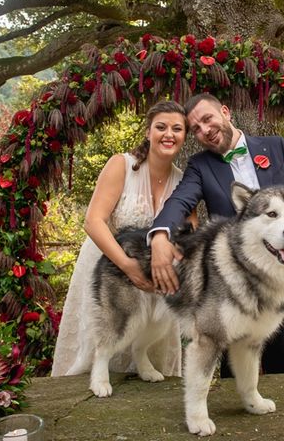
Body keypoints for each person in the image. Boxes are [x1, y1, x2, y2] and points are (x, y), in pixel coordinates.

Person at [149, 93, 284, 377]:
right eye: (196, 129)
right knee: (233, 370)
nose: (205, 130)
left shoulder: (276, 147)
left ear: (225, 112)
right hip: (231, 287)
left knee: (282, 367)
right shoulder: (200, 165)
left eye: (207, 119)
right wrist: (160, 235)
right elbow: (179, 201)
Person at [51, 100, 193, 377]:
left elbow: (189, 234)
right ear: (148, 131)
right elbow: (93, 222)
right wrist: (127, 266)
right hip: (108, 268)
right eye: (161, 127)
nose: (169, 134)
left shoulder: (183, 181)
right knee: (100, 343)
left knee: (149, 348)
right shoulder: (122, 165)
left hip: (154, 281)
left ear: (185, 136)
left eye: (177, 129)